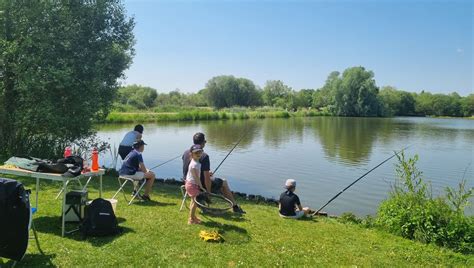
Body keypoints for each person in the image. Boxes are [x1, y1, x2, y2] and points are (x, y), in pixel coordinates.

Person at [182, 132, 245, 214]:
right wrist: (208, 192)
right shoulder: (204, 156)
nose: (205, 143)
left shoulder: (186, 152)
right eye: (205, 141)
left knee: (214, 179)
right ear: (203, 143)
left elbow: (189, 169)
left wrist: (207, 173)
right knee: (224, 182)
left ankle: (201, 201)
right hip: (198, 185)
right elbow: (206, 179)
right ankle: (235, 207)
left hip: (187, 182)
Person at [185, 144, 205, 224]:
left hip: (190, 184)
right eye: (196, 153)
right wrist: (201, 186)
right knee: (195, 202)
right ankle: (191, 219)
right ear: (191, 154)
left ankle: (193, 216)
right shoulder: (195, 164)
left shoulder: (195, 162)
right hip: (192, 185)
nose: (198, 154)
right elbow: (196, 177)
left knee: (193, 201)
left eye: (200, 152)